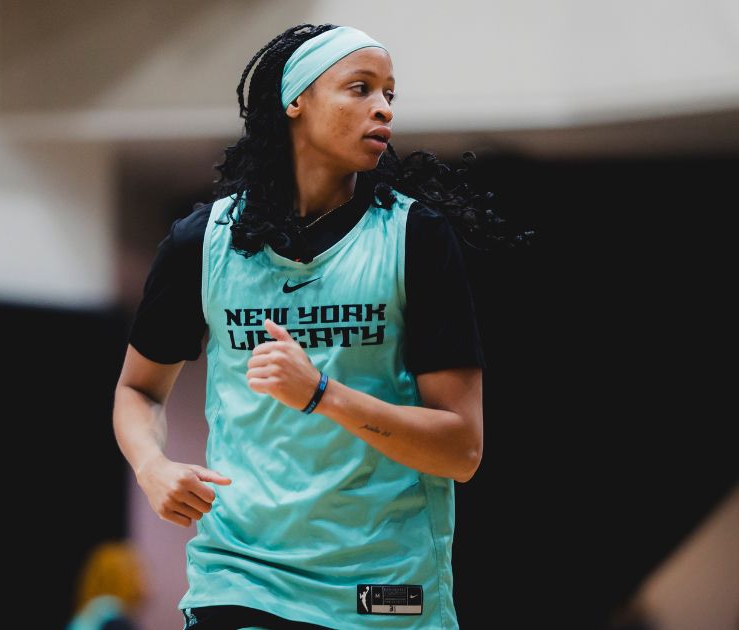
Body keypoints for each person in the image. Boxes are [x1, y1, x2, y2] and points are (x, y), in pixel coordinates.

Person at [112, 23, 528, 630]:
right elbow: (137, 389)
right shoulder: (203, 242)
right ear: (295, 100)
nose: (383, 106)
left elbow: (461, 449)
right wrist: (152, 467)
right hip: (242, 572)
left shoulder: (415, 239)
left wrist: (322, 395)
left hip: (381, 584)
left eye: (390, 93)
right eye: (360, 88)